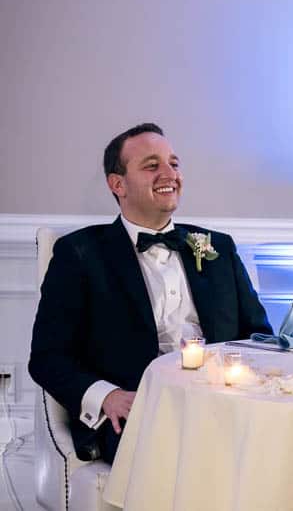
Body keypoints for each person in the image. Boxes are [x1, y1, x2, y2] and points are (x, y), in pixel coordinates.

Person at [29, 123, 272, 463]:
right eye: (152, 165)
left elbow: (259, 336)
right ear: (118, 184)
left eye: (174, 163)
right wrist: (108, 396)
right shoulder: (80, 253)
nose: (169, 173)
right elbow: (47, 357)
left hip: (225, 404)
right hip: (138, 413)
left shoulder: (218, 247)